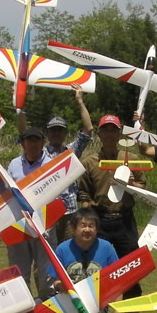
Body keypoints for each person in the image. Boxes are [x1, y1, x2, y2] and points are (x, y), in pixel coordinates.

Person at [76, 114, 145, 309]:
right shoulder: (89, 162)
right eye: (105, 130)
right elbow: (83, 193)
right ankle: (101, 308)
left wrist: (132, 184)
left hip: (124, 220)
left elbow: (143, 187)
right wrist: (88, 218)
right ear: (99, 134)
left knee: (130, 264)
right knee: (98, 265)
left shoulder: (131, 159)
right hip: (100, 219)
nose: (109, 134)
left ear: (119, 133)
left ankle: (132, 308)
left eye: (113, 130)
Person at [47, 208, 125, 313]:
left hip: (96, 304)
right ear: (74, 229)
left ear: (97, 229)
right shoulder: (62, 249)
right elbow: (55, 281)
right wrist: (63, 286)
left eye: (91, 226)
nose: (87, 230)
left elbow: (117, 282)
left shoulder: (107, 248)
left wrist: (118, 312)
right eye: (83, 225)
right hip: (69, 302)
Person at [6, 123, 56, 297]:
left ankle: (48, 303)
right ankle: (23, 305)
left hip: (45, 222)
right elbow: (6, 194)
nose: (33, 144)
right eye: (29, 140)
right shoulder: (13, 165)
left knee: (47, 270)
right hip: (19, 223)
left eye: (37, 140)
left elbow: (59, 194)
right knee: (19, 270)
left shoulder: (52, 164)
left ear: (43, 143)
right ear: (22, 144)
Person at [45, 83, 93, 240]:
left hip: (70, 210)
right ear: (47, 133)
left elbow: (88, 129)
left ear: (65, 133)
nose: (56, 133)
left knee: (70, 250)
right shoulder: (40, 154)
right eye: (53, 130)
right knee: (49, 251)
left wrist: (80, 101)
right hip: (48, 211)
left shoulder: (71, 152)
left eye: (60, 130)